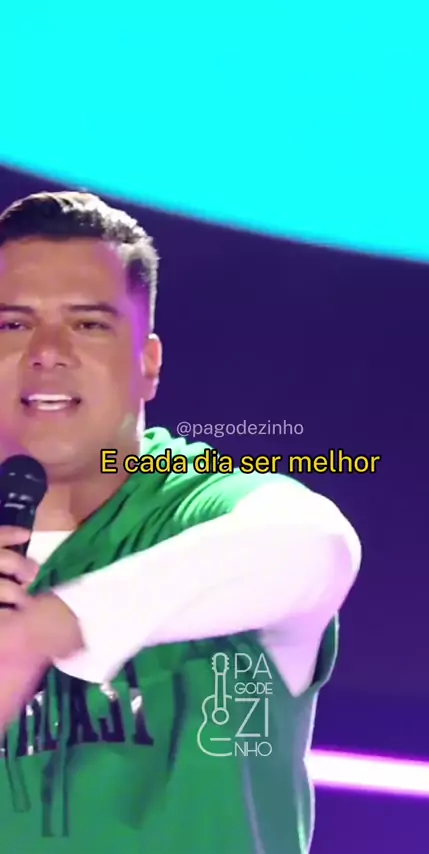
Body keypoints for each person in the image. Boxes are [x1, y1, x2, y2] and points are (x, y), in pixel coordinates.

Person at [0, 191, 361, 854]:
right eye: (14, 325)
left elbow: (316, 545)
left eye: (88, 325)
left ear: (148, 365)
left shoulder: (203, 510)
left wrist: (50, 627)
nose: (46, 352)